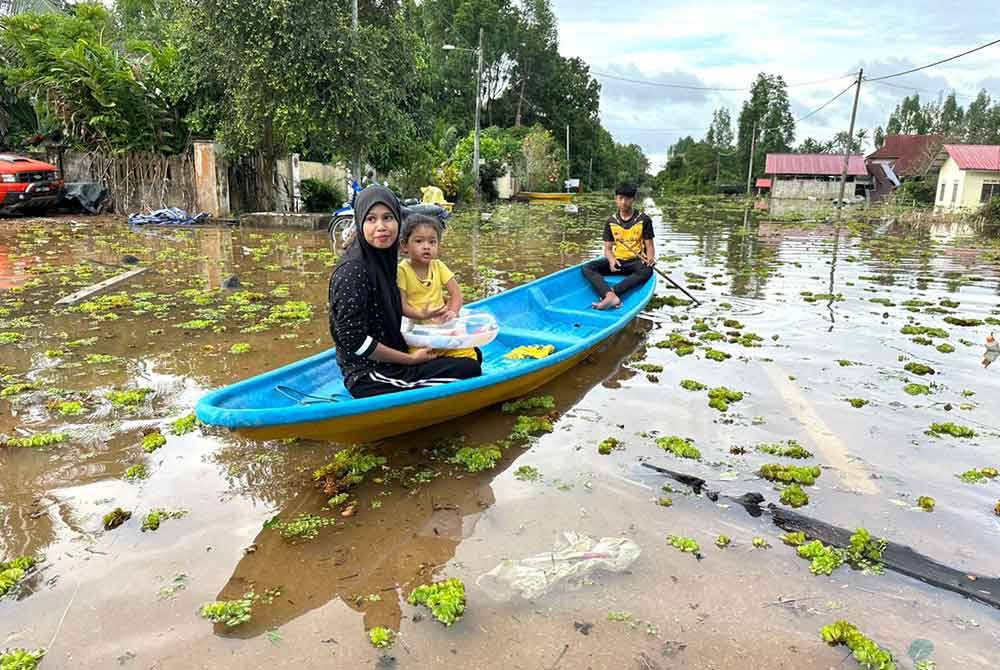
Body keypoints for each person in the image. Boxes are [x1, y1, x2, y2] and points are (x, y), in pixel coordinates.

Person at [328, 186, 481, 398]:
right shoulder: (351, 272)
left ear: (398, 222)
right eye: (371, 219)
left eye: (388, 217)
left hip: (394, 352)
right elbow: (353, 341)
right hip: (369, 373)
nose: (381, 226)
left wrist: (430, 314)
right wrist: (410, 359)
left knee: (475, 354)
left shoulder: (384, 261)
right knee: (469, 369)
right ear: (360, 222)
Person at [397, 214, 479, 362]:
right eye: (419, 241)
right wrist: (421, 314)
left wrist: (453, 312)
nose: (426, 246)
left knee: (472, 357)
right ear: (404, 245)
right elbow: (401, 306)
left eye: (432, 242)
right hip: (418, 333)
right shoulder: (402, 271)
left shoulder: (438, 266)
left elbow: (456, 294)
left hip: (443, 328)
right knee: (421, 358)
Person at [582, 183, 655, 310]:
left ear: (633, 200)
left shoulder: (643, 219)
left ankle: (613, 292)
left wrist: (650, 259)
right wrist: (611, 260)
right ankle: (610, 295)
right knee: (588, 267)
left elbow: (649, 246)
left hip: (636, 262)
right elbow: (608, 249)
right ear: (615, 199)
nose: (623, 202)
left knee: (647, 271)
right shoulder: (611, 221)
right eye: (620, 198)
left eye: (627, 198)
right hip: (618, 262)